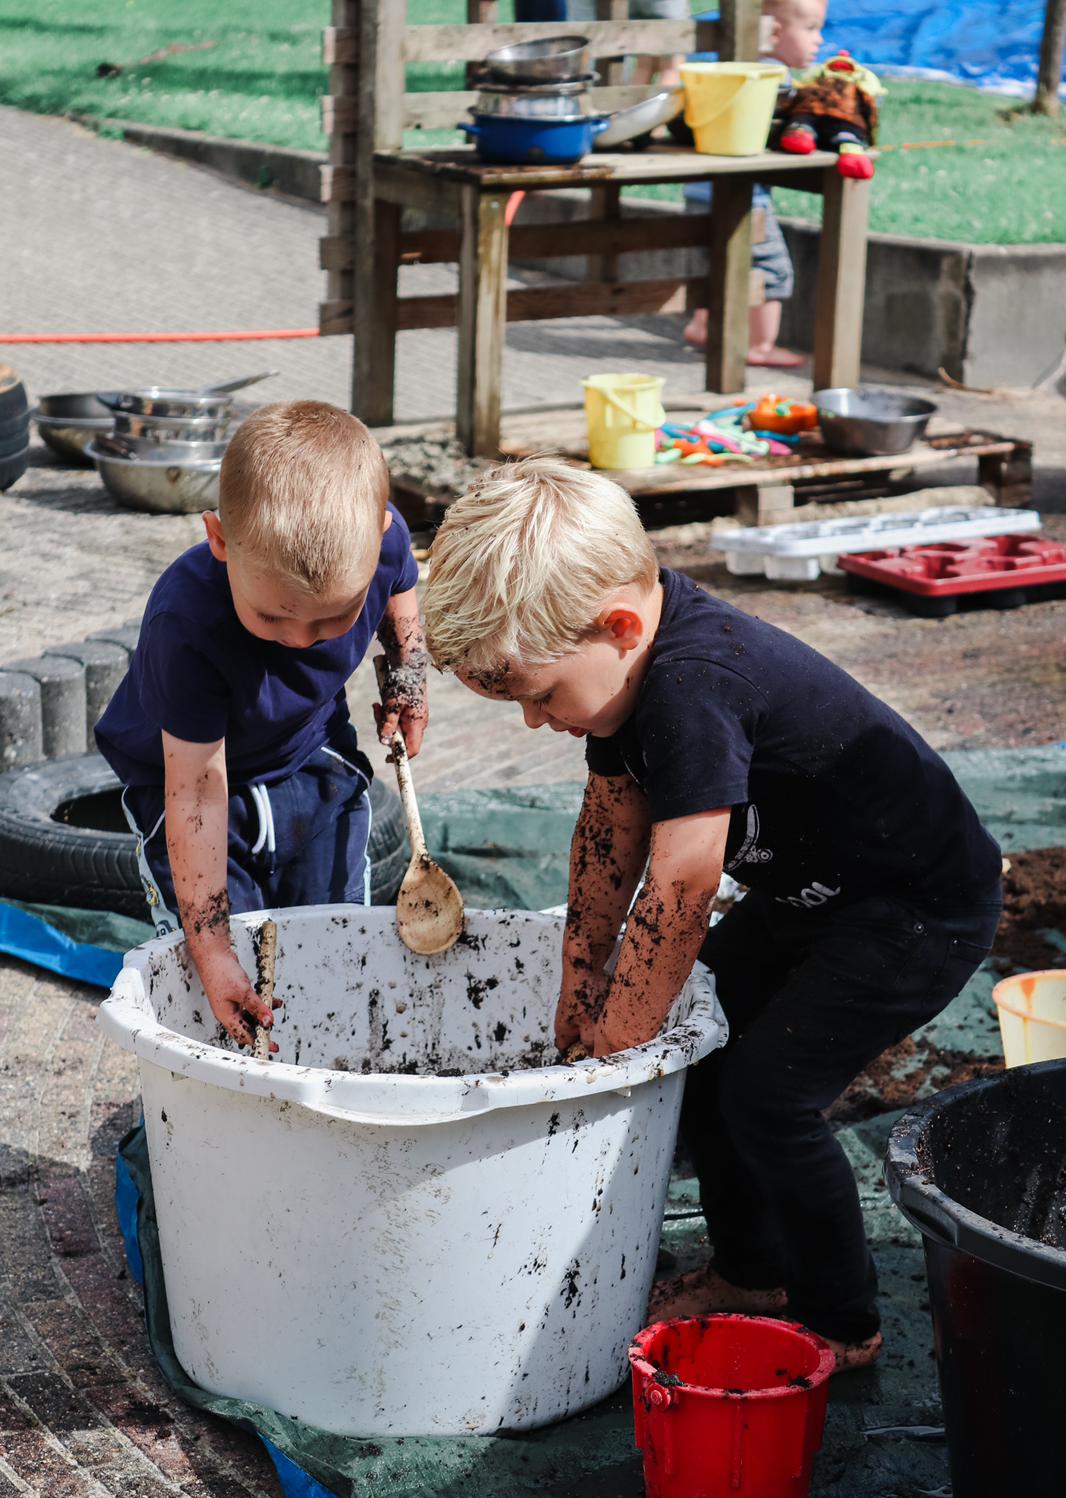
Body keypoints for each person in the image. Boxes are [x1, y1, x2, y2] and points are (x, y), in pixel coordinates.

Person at [421, 457, 1003, 1369]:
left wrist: (613, 1053)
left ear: (618, 627)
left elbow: (680, 891)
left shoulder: (693, 685)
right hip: (813, 898)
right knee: (709, 1054)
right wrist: (582, 977)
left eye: (537, 695)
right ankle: (751, 1270)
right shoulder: (620, 677)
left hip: (914, 909)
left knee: (769, 1099)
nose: (536, 722)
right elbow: (610, 831)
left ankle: (840, 1325)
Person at [96, 401, 428, 1052]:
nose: (302, 641)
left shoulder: (381, 539)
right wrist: (213, 947)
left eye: (332, 619)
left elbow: (402, 589)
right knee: (232, 972)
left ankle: (331, 1073)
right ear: (220, 541)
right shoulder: (186, 622)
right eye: (275, 618)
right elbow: (196, 789)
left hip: (312, 754)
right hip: (198, 789)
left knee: (336, 940)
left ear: (381, 533)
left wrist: (406, 681)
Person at [683, 0, 828, 366]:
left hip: (698, 190)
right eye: (811, 28)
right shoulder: (773, 77)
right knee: (771, 271)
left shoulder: (724, 68)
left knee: (715, 262)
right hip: (747, 197)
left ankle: (702, 325)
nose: (819, 40)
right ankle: (760, 345)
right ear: (773, 32)